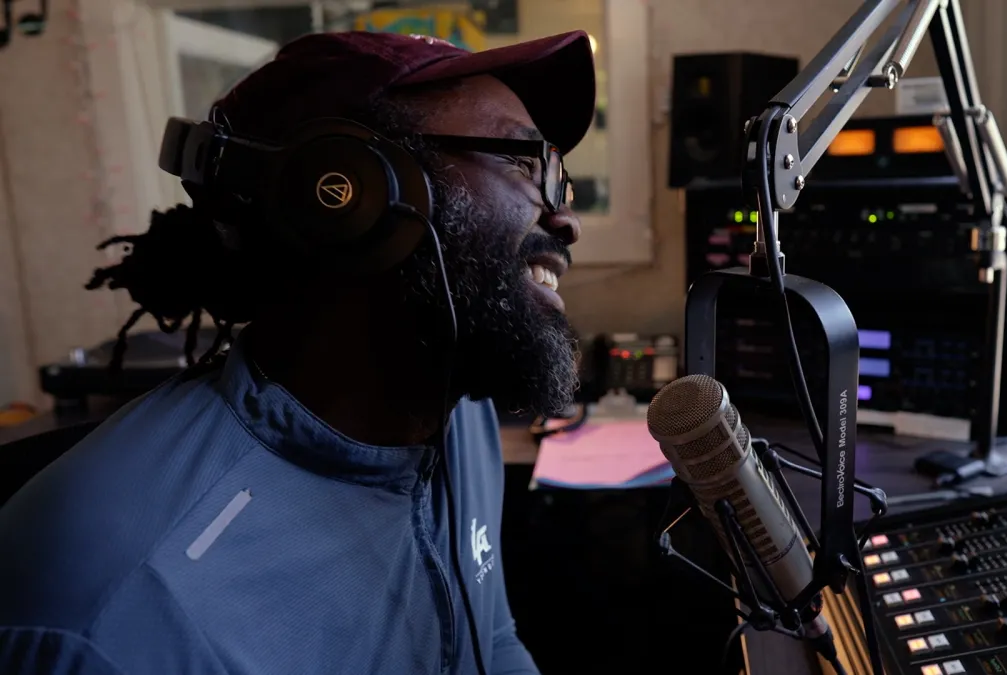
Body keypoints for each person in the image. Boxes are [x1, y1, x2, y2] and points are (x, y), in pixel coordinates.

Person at [0, 29, 596, 675]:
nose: (567, 219)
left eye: (556, 176)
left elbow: (494, 636)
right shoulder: (109, 613)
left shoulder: (457, 417)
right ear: (349, 194)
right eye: (523, 161)